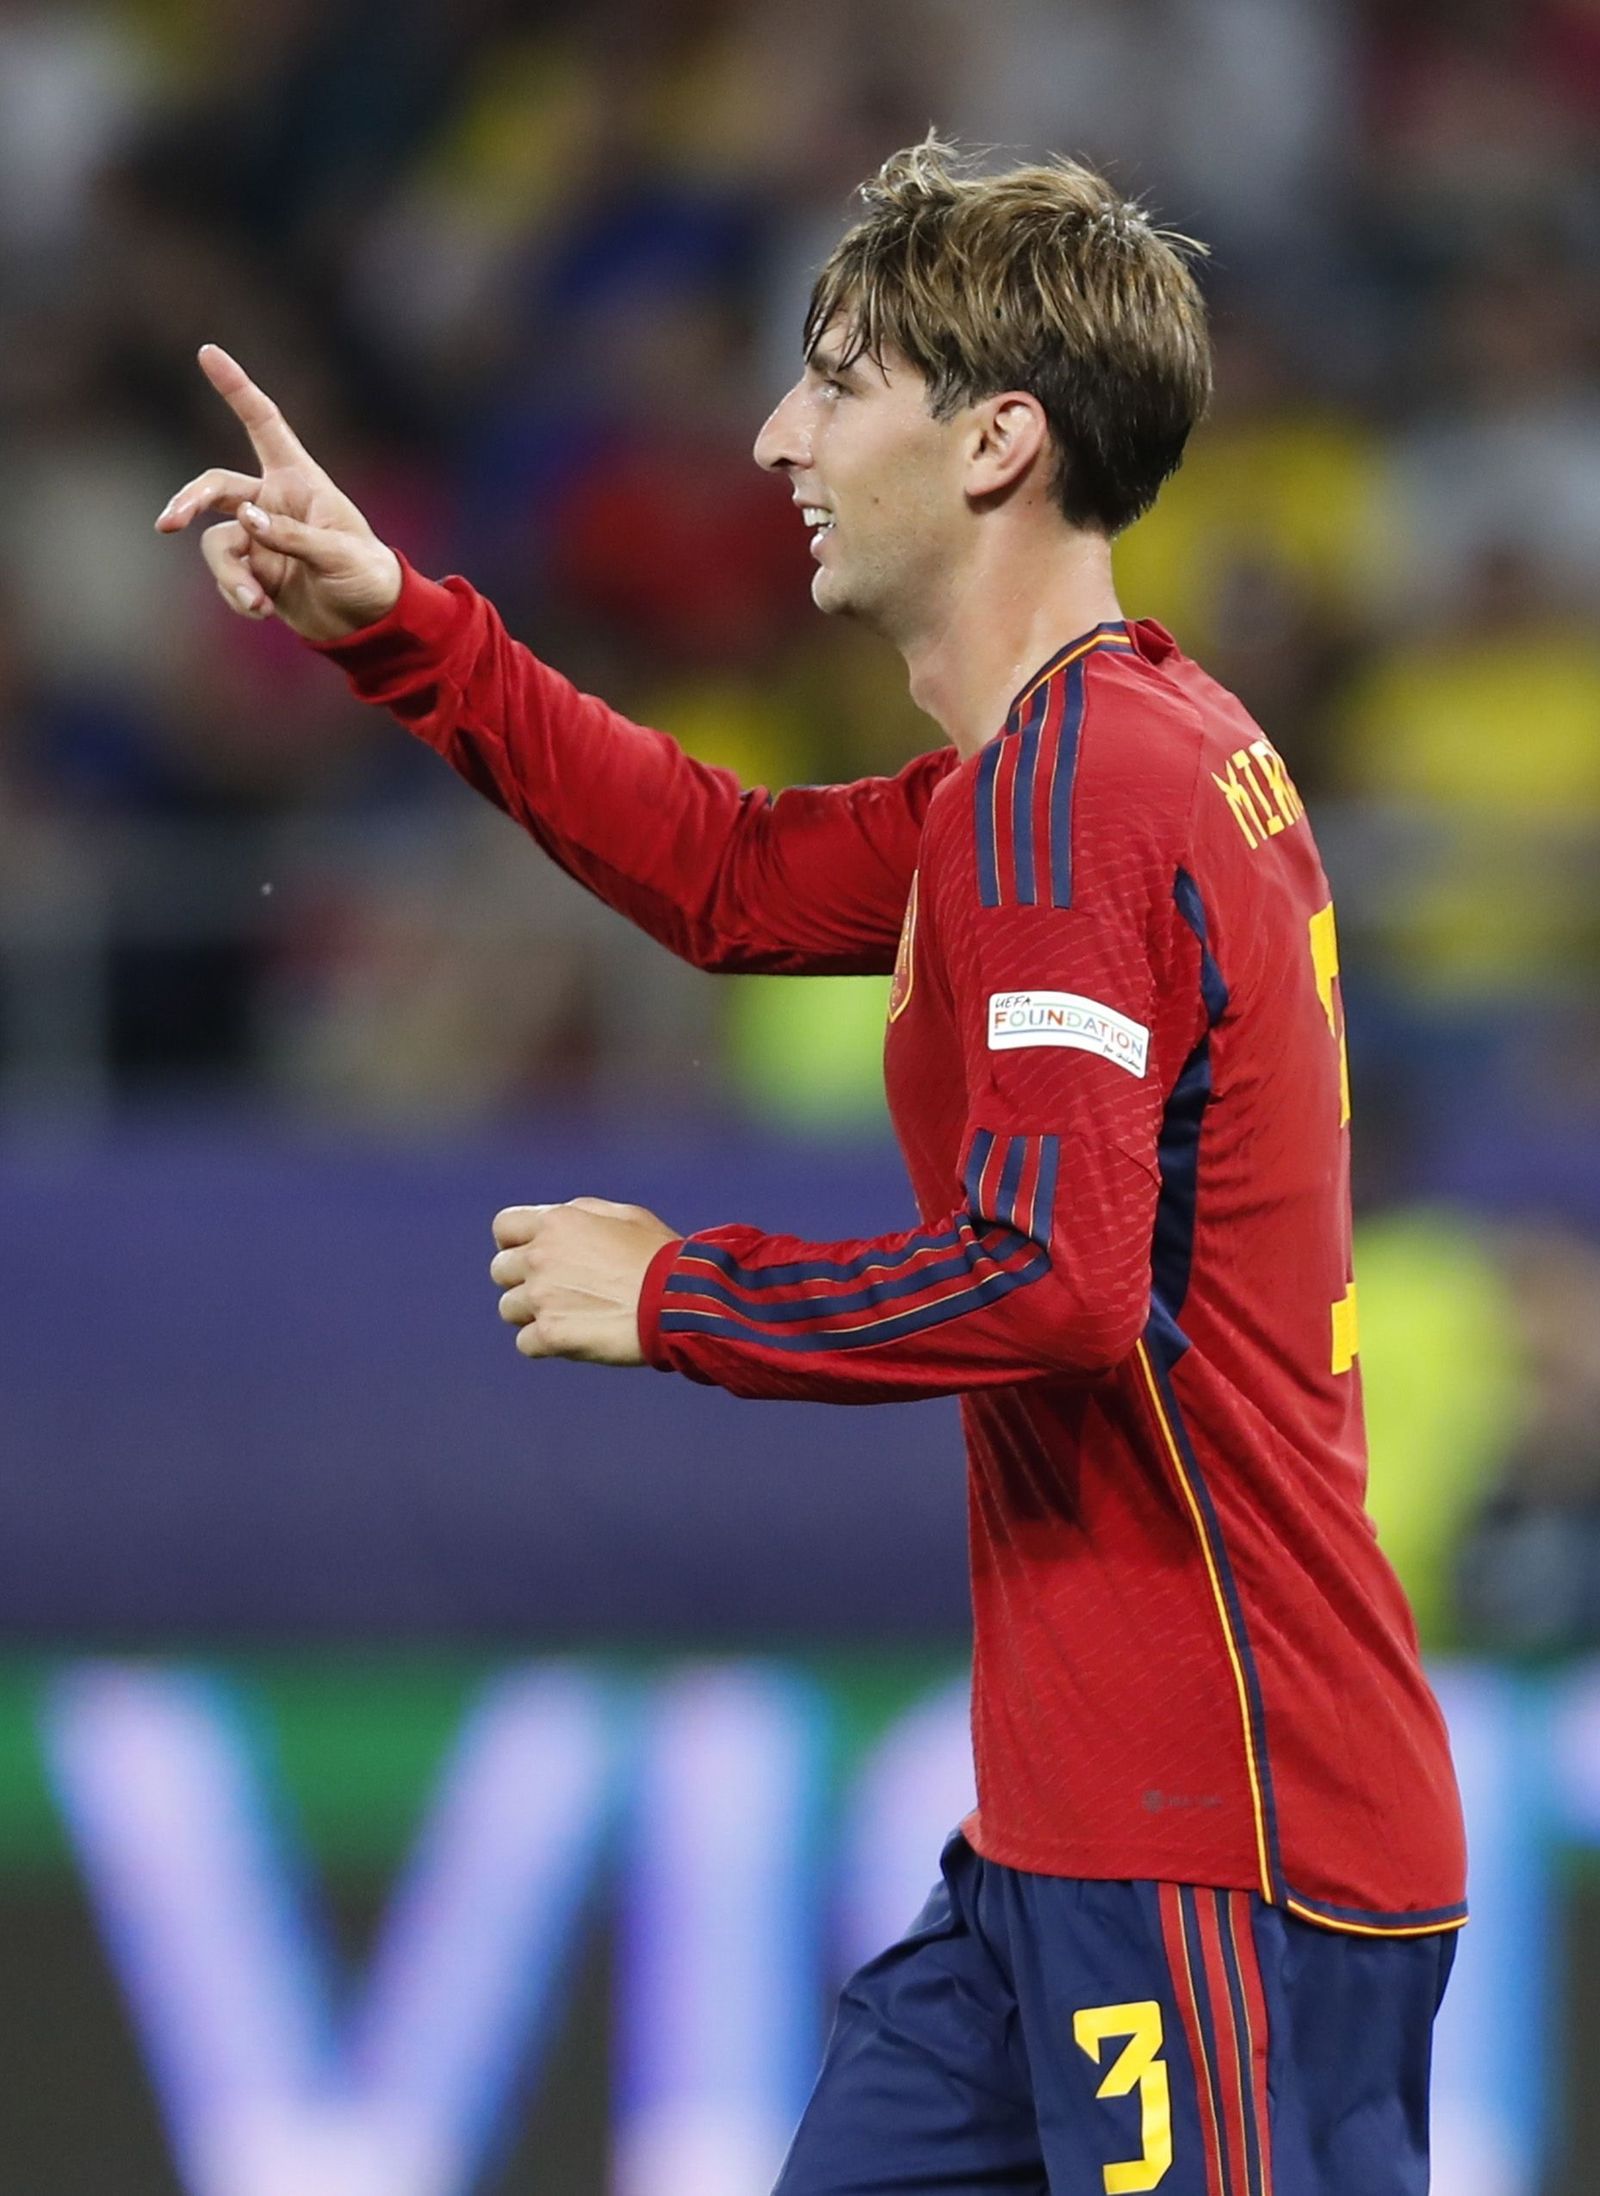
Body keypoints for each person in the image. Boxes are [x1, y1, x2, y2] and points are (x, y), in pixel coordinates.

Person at [159, 138, 1465, 2196]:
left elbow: (1048, 1277)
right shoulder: (1100, 755)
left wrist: (673, 1295)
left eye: (836, 378)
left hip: (1215, 1832)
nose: (774, 435)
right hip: (1080, 1836)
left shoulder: (1075, 797)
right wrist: (401, 624)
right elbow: (722, 871)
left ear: (992, 444)